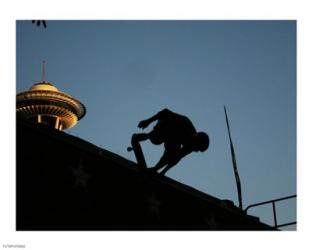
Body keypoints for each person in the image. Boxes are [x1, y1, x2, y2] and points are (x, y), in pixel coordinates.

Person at [131, 108, 209, 175]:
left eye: (198, 150)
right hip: (165, 126)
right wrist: (148, 121)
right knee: (156, 139)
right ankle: (140, 137)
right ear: (196, 139)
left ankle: (155, 167)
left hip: (173, 139)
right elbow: (165, 112)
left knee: (173, 152)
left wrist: (161, 171)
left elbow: (176, 158)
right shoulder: (185, 123)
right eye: (197, 148)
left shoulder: (190, 147)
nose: (196, 151)